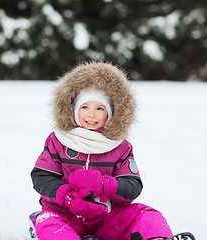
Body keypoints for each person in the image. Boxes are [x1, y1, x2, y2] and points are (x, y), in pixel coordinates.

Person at [30, 62, 195, 240]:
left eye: (99, 108)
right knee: (48, 221)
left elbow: (132, 185)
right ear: (74, 109)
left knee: (144, 213)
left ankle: (156, 238)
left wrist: (104, 185)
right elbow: (42, 177)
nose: (91, 115)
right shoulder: (58, 140)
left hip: (107, 217)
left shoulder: (120, 146)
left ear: (111, 113)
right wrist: (67, 196)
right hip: (66, 212)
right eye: (85, 107)